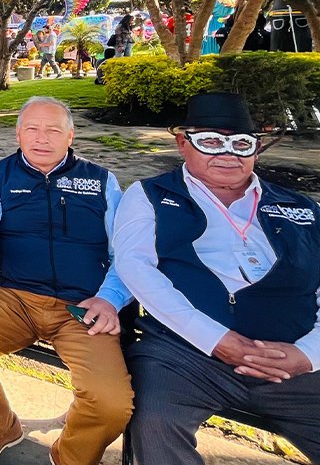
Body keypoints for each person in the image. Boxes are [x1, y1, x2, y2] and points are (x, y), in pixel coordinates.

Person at [113, 92, 320, 464]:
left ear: (256, 150)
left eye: (241, 144)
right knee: (155, 420)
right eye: (210, 141)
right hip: (185, 355)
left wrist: (308, 355)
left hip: (291, 359)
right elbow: (136, 268)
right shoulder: (152, 195)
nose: (227, 155)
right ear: (183, 144)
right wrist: (215, 339)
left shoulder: (303, 208)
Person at [0, 97, 133, 465]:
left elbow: (126, 251)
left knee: (110, 402)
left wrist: (110, 297)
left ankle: (72, 455)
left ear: (70, 135)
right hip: (13, 296)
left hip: (84, 305)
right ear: (18, 134)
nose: (41, 138)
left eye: (52, 130)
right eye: (31, 128)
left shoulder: (101, 181)